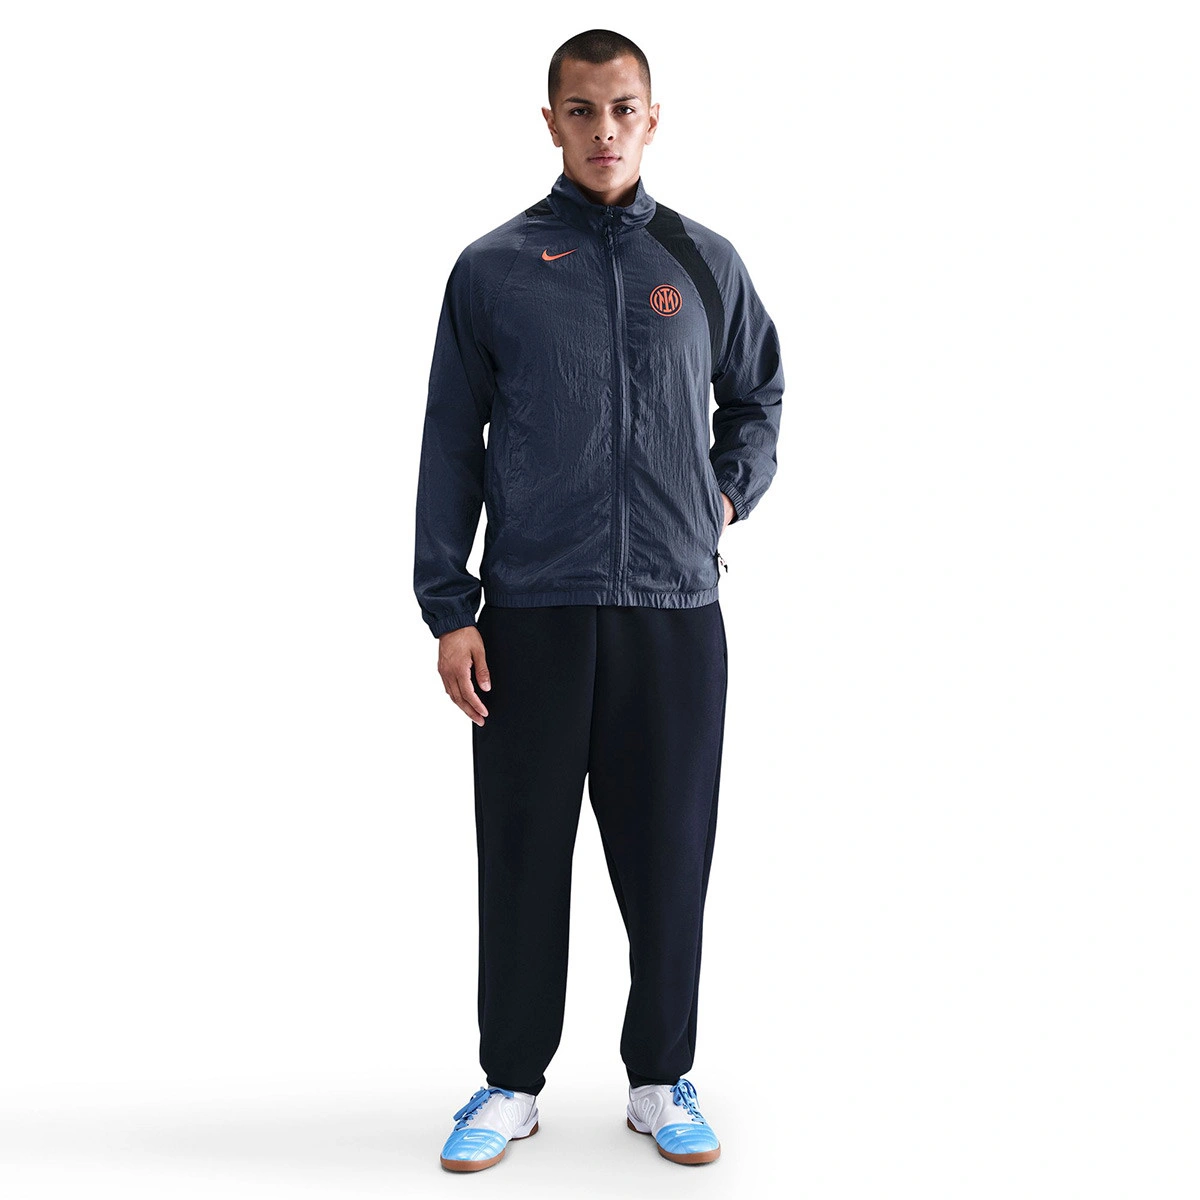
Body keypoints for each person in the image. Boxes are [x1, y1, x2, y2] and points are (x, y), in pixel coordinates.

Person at [414, 28, 784, 1172]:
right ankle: (509, 1083)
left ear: (653, 118)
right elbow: (450, 443)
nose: (605, 130)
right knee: (523, 856)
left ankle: (660, 1079)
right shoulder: (493, 268)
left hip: (674, 609)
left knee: (670, 859)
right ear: (551, 122)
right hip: (531, 611)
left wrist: (726, 491)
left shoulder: (703, 261)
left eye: (624, 108)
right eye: (582, 110)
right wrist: (450, 606)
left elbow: (759, 394)